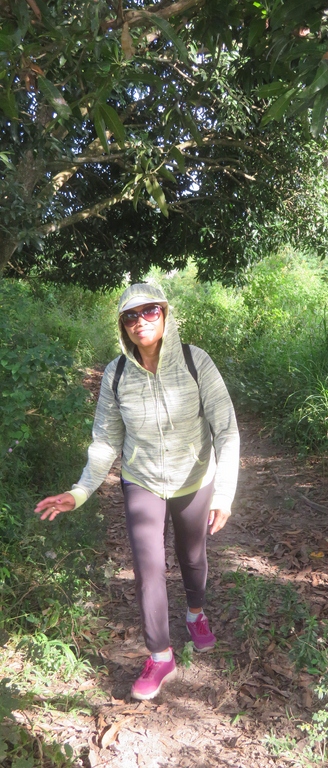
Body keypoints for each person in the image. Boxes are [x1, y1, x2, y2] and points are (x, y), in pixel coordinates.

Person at [34, 281, 239, 701]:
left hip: (194, 478)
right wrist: (80, 491)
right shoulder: (116, 374)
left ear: (165, 314)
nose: (140, 321)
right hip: (142, 479)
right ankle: (160, 655)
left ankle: (195, 613)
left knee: (192, 555)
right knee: (148, 567)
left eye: (149, 311)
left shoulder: (196, 361)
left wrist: (224, 494)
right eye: (130, 315)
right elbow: (105, 441)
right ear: (122, 325)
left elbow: (226, 430)